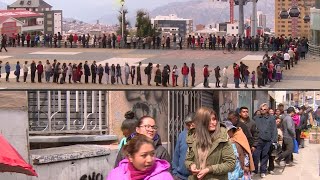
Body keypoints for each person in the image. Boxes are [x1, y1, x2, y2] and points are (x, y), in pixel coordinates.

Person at [185, 107, 236, 180]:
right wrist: (191, 165)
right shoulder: (193, 138)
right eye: (209, 120)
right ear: (201, 122)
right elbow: (188, 160)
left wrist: (209, 169)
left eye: (214, 119)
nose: (213, 122)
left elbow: (231, 164)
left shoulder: (222, 138)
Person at [107, 134, 173, 180]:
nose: (149, 160)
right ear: (130, 157)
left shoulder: (164, 177)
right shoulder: (116, 175)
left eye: (152, 154)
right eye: (144, 155)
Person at [253, 103, 277, 178]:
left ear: (267, 110)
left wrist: (273, 141)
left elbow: (274, 129)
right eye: (261, 109)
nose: (263, 110)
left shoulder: (272, 118)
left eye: (264, 109)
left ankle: (263, 171)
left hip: (267, 140)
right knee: (256, 156)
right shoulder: (256, 118)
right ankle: (255, 170)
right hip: (258, 140)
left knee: (265, 156)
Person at [172, 113, 195, 180]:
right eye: (188, 125)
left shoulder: (201, 136)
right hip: (180, 176)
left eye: (192, 124)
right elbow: (176, 154)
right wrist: (175, 173)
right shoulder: (182, 135)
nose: (190, 127)